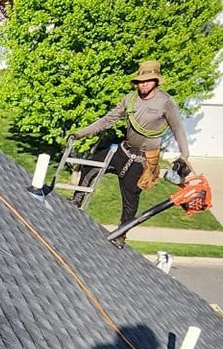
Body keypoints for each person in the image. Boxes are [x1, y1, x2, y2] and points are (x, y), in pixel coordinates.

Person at [71, 61, 193, 244]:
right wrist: (79, 134)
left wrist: (184, 154)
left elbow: (177, 129)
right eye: (140, 81)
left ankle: (121, 233)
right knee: (90, 164)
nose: (143, 84)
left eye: (148, 81)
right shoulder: (130, 99)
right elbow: (107, 120)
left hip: (142, 160)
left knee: (130, 200)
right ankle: (77, 200)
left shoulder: (165, 103)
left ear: (156, 81)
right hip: (123, 151)